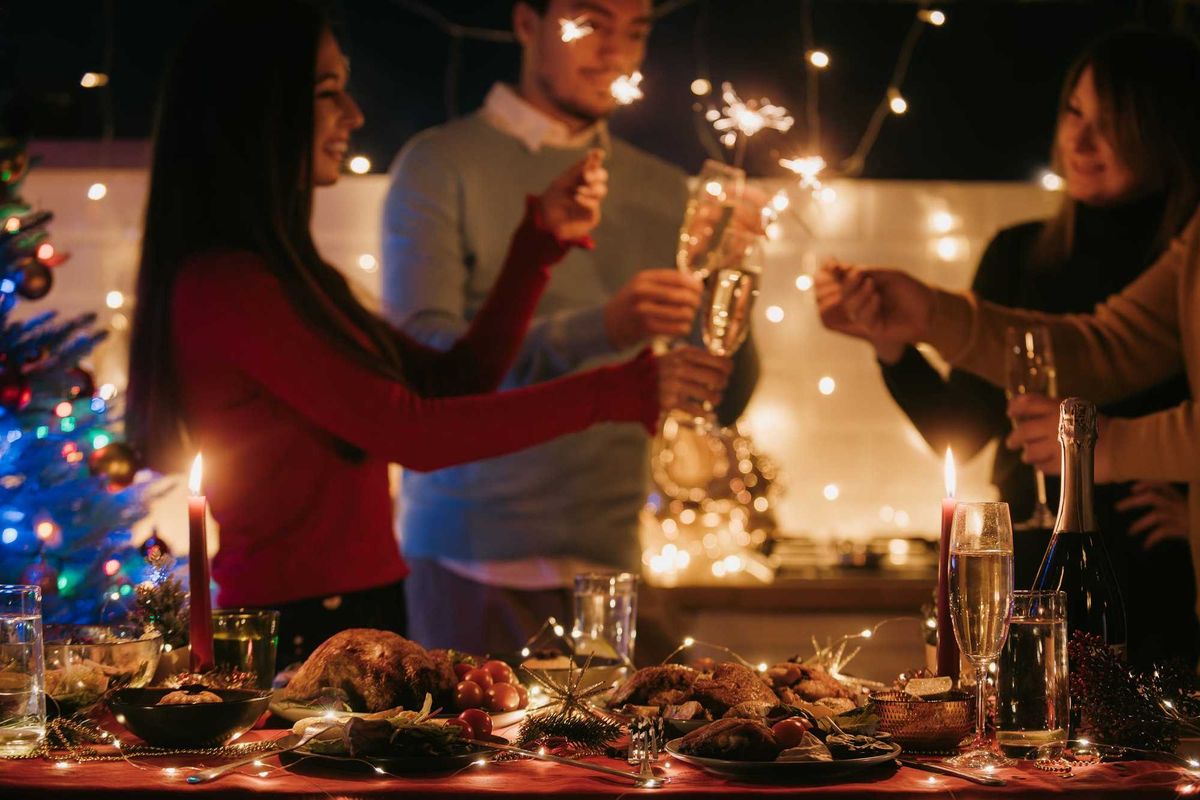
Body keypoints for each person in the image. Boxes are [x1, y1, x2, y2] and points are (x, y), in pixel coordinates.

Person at [124, 0, 732, 669]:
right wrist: (617, 391)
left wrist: (535, 248)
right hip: (295, 634)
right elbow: (415, 433)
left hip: (355, 614)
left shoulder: (298, 278)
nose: (353, 115)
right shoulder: (231, 288)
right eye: (328, 93)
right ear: (257, 111)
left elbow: (453, 382)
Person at [382, 0, 759, 655]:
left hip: (611, 563)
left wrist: (736, 283)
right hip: (471, 561)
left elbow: (715, 393)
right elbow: (429, 366)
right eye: (591, 23)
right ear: (526, 23)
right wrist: (604, 328)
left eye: (634, 31)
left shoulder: (667, 190)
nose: (614, 51)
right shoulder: (441, 164)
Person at [815, 28, 1200, 659]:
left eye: (1113, 124)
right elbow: (1100, 349)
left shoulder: (1179, 246)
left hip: (1157, 575)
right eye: (1074, 112)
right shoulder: (1024, 254)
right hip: (1037, 563)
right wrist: (909, 328)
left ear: (1167, 132)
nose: (1080, 140)